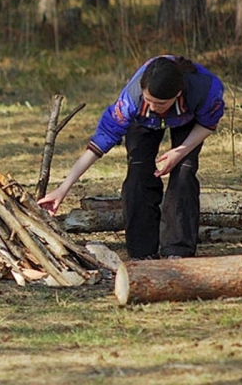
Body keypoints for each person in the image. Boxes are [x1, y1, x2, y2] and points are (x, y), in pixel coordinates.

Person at [37, 55, 225, 260]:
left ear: (178, 94)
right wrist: (63, 188)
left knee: (184, 171)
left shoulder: (205, 90)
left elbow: (208, 124)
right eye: (149, 100)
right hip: (142, 121)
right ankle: (142, 251)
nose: (153, 107)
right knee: (138, 170)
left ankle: (178, 249)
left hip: (189, 120)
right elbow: (98, 144)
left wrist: (180, 151)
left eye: (160, 103)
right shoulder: (131, 101)